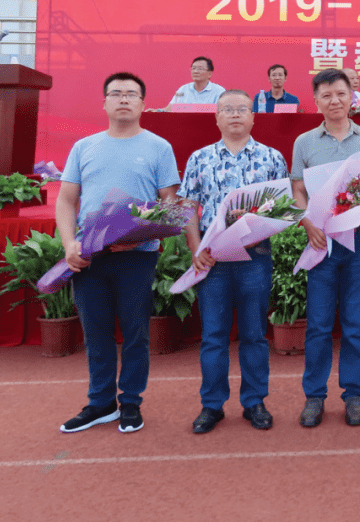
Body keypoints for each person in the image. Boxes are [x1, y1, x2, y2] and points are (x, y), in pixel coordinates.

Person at [57, 72, 180, 434]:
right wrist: (68, 245)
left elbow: (169, 204)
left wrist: (140, 232)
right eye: (116, 93)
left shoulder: (159, 147)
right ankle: (100, 403)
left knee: (136, 331)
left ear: (143, 103)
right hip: (90, 254)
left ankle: (130, 402)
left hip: (137, 255)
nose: (123, 99)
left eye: (131, 94)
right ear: (105, 102)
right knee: (95, 331)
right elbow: (66, 200)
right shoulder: (84, 146)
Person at [180, 90, 289, 434]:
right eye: (228, 109)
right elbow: (187, 207)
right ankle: (212, 405)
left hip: (255, 258)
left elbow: (283, 209)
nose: (235, 114)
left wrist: (258, 233)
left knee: (255, 335)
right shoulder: (200, 158)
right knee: (213, 335)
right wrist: (196, 249)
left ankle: (254, 401)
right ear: (217, 117)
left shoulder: (272, 158)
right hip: (212, 261)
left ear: (254, 116)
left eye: (243, 109)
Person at [291, 69, 360, 427]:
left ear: (352, 97)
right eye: (327, 95)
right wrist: (307, 222)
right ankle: (314, 396)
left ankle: (354, 394)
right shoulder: (305, 142)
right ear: (316, 100)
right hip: (321, 240)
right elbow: (298, 189)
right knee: (317, 324)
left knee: (355, 323)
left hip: (358, 239)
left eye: (341, 94)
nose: (335, 101)